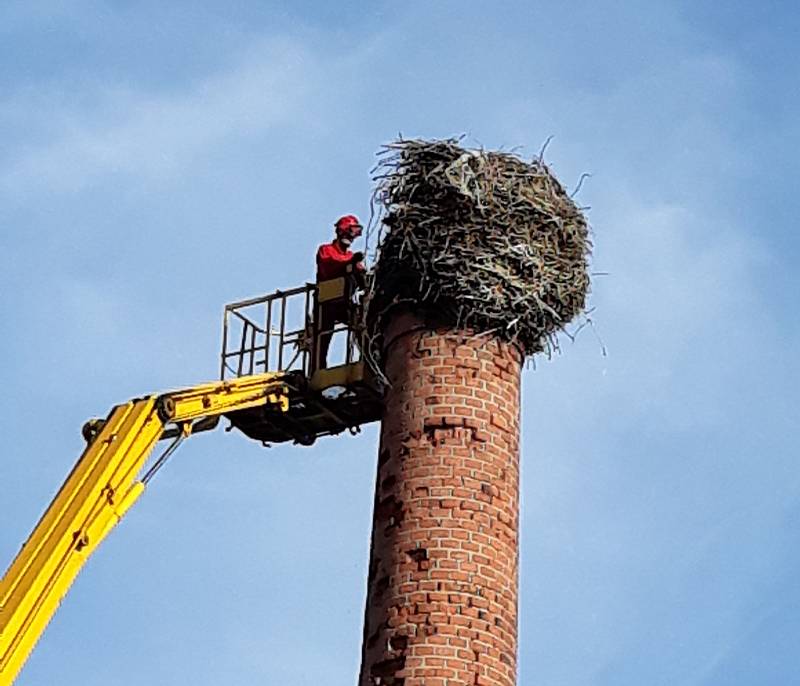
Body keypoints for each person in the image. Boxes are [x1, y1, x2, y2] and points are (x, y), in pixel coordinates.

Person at [315, 215, 366, 369]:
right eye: (349, 233)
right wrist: (349, 263)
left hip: (344, 302)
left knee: (360, 326)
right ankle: (318, 368)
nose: (351, 239)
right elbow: (329, 266)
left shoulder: (350, 256)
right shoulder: (326, 250)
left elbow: (359, 272)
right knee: (323, 337)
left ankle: (368, 358)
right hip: (326, 301)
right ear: (341, 232)